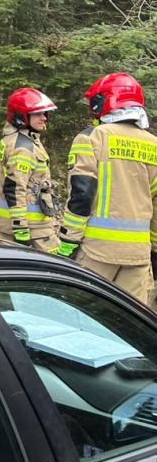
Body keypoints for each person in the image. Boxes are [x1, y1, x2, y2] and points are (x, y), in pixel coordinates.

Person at [64, 72, 157, 305]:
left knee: (83, 315)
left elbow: (82, 193)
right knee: (130, 321)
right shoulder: (153, 145)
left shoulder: (92, 137)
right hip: (138, 253)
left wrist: (68, 242)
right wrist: (154, 250)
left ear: (102, 103)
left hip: (97, 250)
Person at [0, 88, 60, 252]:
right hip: (32, 231)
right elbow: (14, 189)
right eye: (37, 114)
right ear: (21, 117)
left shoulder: (22, 139)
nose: (44, 117)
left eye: (44, 113)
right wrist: (21, 231)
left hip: (27, 227)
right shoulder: (23, 148)